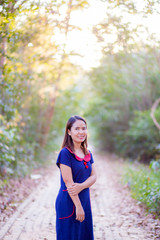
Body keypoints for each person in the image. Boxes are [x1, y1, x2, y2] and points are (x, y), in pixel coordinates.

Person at [55, 115, 96, 240]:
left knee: (84, 236)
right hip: (69, 203)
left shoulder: (88, 153)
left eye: (83, 128)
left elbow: (94, 176)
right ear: (69, 131)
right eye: (77, 129)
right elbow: (69, 183)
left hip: (85, 201)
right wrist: (78, 206)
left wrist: (82, 186)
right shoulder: (65, 153)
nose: (81, 132)